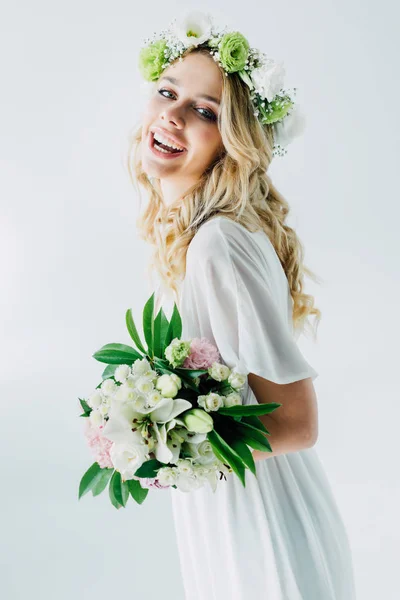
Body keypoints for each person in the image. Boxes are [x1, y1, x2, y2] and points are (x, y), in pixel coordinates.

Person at [126, 11, 357, 599]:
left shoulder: (218, 243)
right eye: (168, 91)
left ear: (235, 143)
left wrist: (163, 441)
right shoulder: (206, 234)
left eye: (205, 112)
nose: (172, 115)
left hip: (262, 522)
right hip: (236, 505)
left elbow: (297, 424)